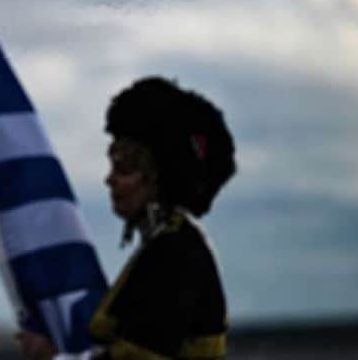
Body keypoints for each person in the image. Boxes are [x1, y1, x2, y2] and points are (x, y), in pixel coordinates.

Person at [18, 76, 235, 359]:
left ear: (159, 178)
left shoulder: (174, 253)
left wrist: (50, 357)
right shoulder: (169, 243)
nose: (109, 180)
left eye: (124, 167)